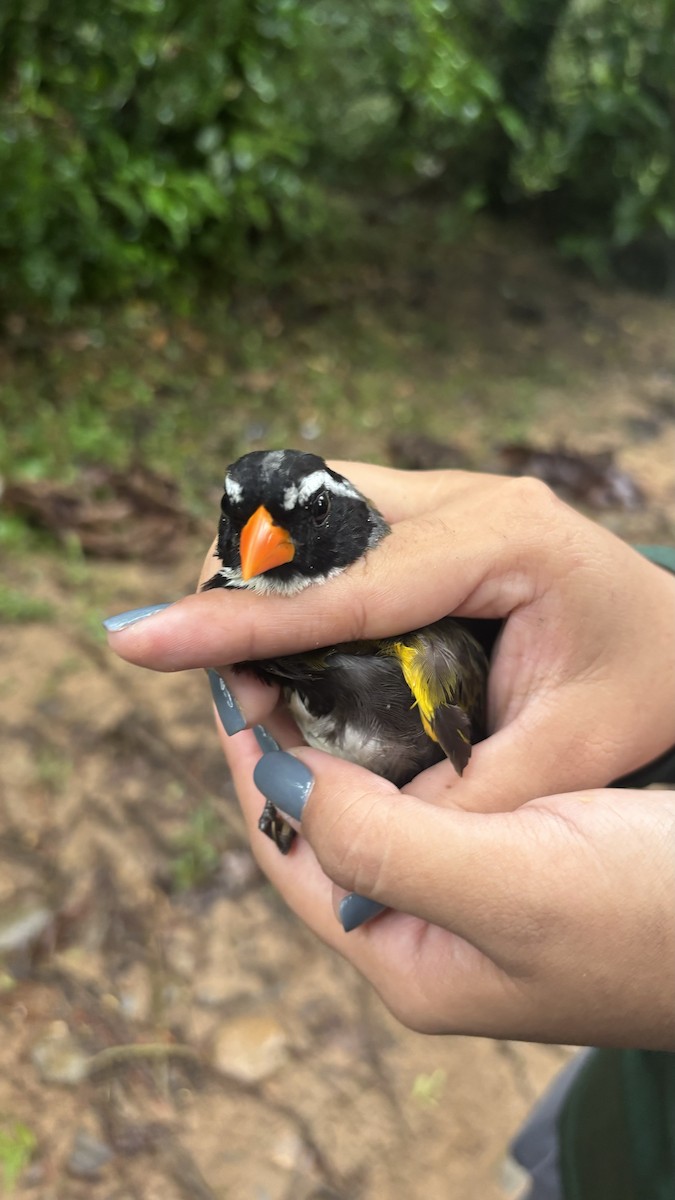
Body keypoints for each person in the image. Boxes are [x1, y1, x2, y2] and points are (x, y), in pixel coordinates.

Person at [104, 465, 675, 1200]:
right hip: (609, 1131)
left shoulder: (420, 656)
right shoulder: (265, 611)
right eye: (241, 519)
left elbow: (472, 761)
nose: (259, 540)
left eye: (303, 517)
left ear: (347, 522)